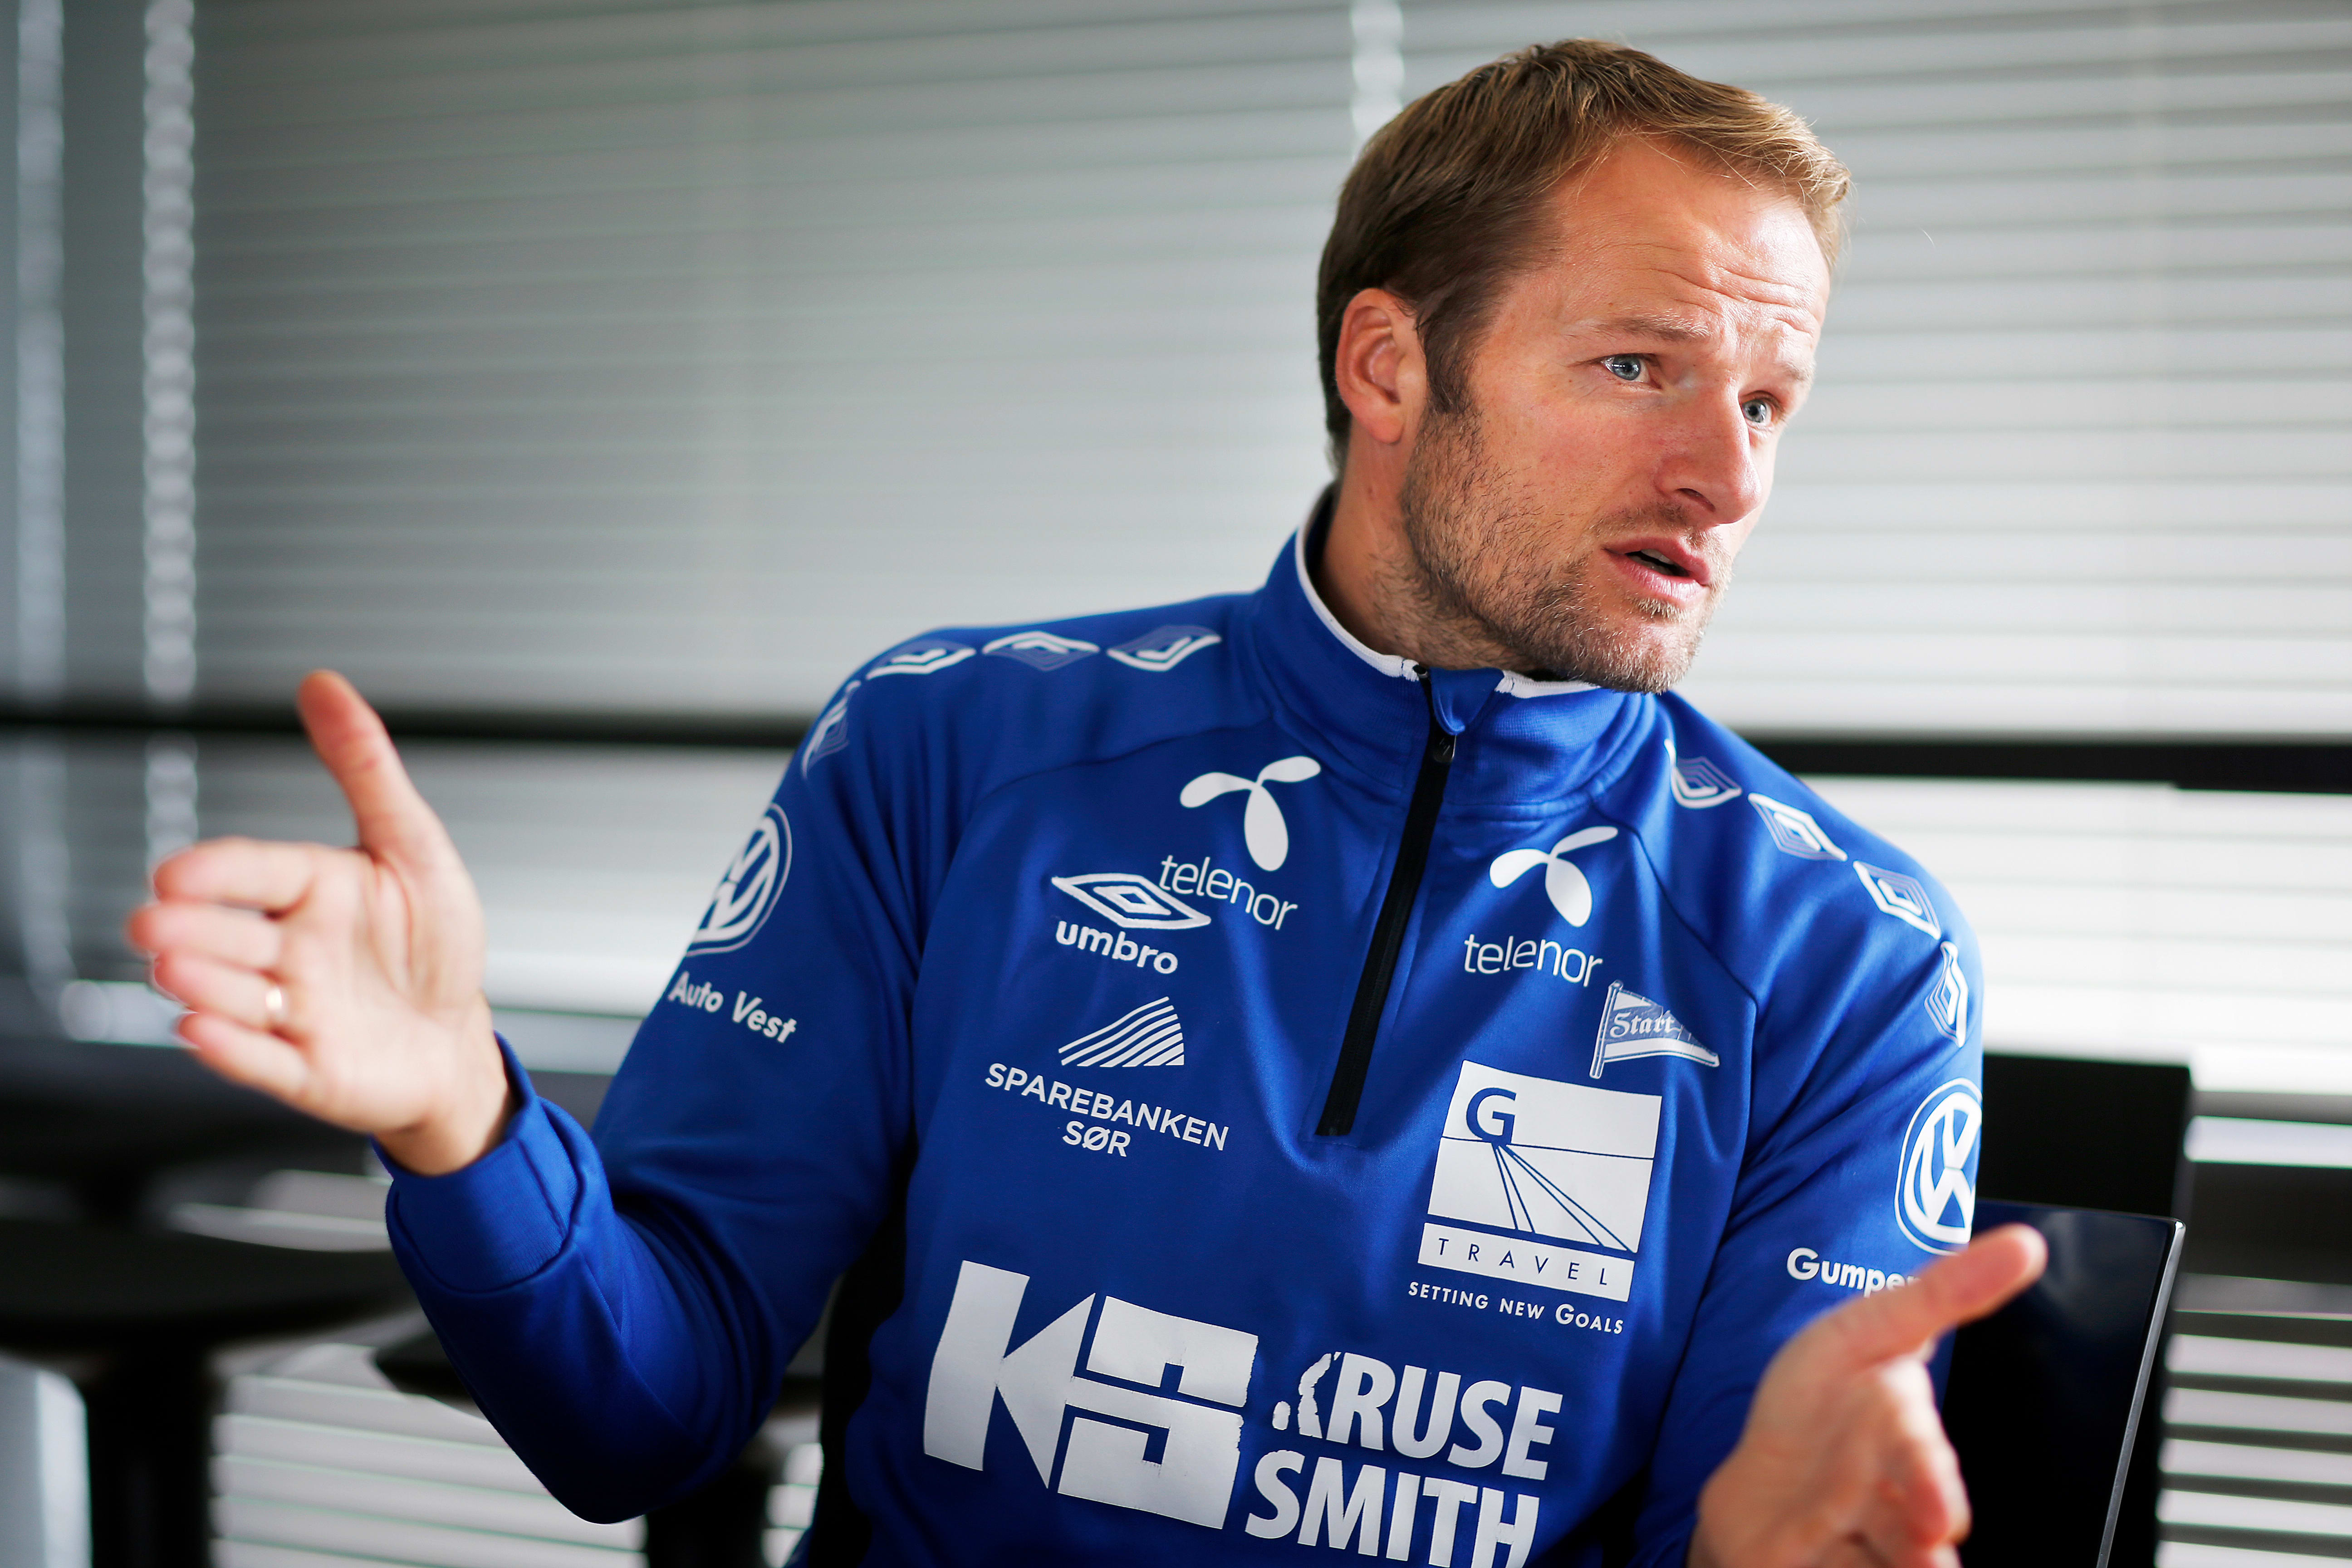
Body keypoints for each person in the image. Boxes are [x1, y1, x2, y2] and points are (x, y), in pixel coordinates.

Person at [131, 39, 2043, 1568]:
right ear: (1390, 366)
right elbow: (633, 1423)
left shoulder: (1849, 958)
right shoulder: (954, 749)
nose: (1728, 477)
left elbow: (1762, 1527)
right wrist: (460, 1123)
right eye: (1640, 366)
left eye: (1770, 404)